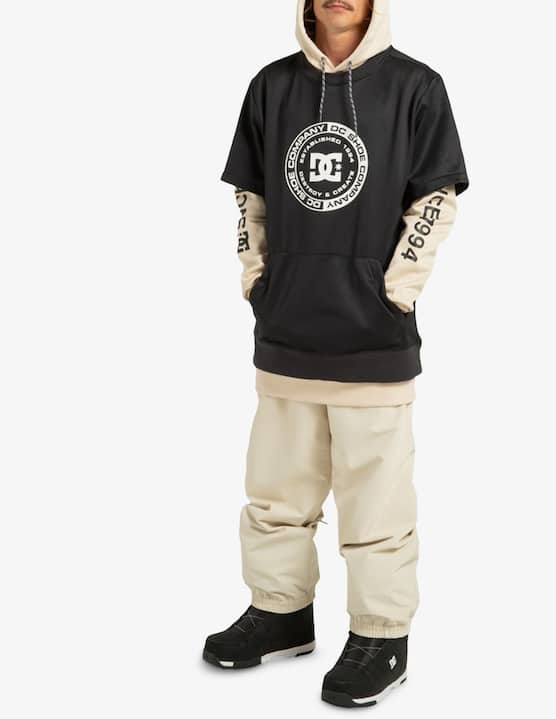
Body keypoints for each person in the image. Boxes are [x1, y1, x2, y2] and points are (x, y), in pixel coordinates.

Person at [203, 0, 468, 708]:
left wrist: (396, 292)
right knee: (276, 493)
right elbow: (250, 196)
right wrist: (258, 281)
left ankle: (382, 636)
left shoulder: (416, 87)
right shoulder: (271, 86)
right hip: (286, 334)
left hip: (373, 339)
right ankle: (280, 613)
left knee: (376, 503)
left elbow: (436, 199)